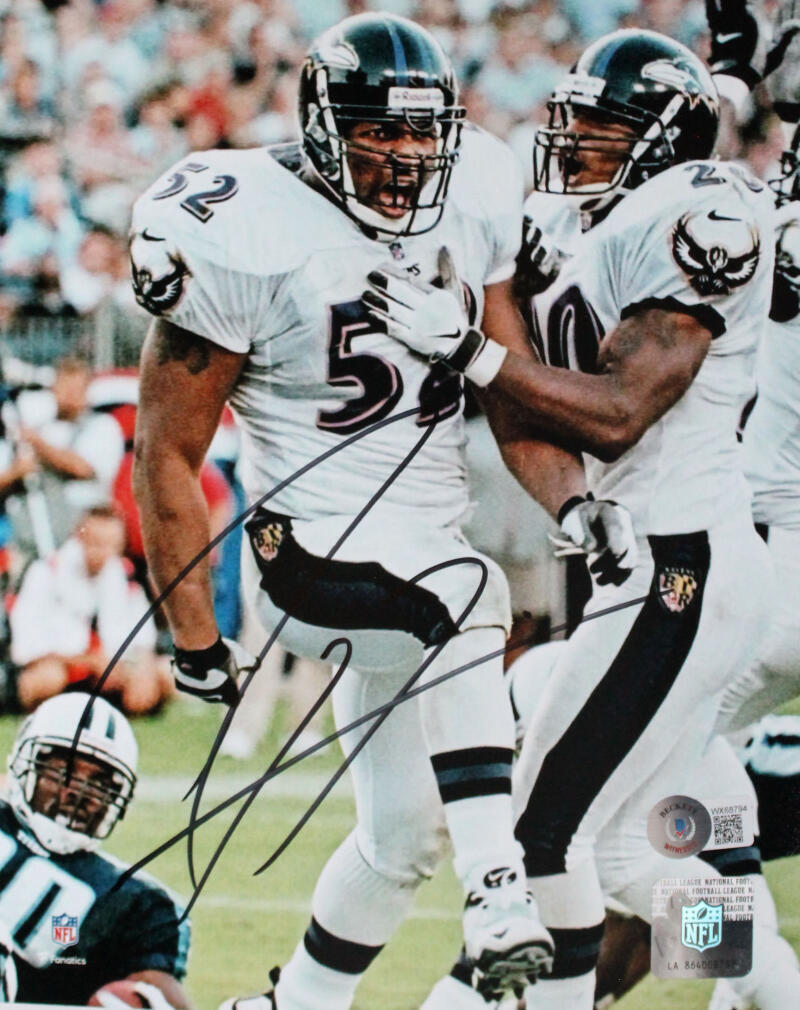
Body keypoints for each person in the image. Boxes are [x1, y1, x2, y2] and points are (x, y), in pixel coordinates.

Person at [127, 12, 599, 1010]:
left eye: (423, 131)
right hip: (306, 552)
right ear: (321, 124)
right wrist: (195, 638)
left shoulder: (475, 192)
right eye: (379, 130)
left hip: (419, 558)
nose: (406, 155)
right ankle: (498, 892)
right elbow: (167, 450)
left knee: (400, 836)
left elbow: (508, 388)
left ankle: (291, 1002)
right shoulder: (238, 222)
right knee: (469, 594)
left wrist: (577, 505)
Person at [366, 28, 778, 1010]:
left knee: (543, 836)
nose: (575, 137)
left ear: (663, 137)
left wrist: (469, 351)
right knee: (628, 850)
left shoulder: (700, 210)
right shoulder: (571, 224)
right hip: (649, 560)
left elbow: (620, 409)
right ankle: (772, 983)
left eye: (602, 122)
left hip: (686, 563)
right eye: (573, 117)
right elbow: (525, 403)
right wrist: (572, 498)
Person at [1, 691, 192, 1007]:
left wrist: (142, 999)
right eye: (64, 770)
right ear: (25, 764)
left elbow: (161, 997)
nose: (78, 792)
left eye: (100, 783)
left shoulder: (138, 904)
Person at [9, 504, 171, 715]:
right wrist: (89, 662)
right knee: (47, 678)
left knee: (164, 672)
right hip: (64, 668)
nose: (102, 552)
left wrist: (141, 670)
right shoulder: (46, 572)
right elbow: (26, 647)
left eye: (111, 545)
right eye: (96, 543)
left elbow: (144, 641)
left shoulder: (124, 576)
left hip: (111, 671)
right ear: (79, 536)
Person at [13, 357, 125, 548]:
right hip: (34, 535)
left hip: (84, 540)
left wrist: (37, 444)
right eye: (64, 387)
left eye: (75, 389)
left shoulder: (103, 427)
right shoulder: (39, 427)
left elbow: (81, 468)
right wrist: (18, 470)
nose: (69, 395)